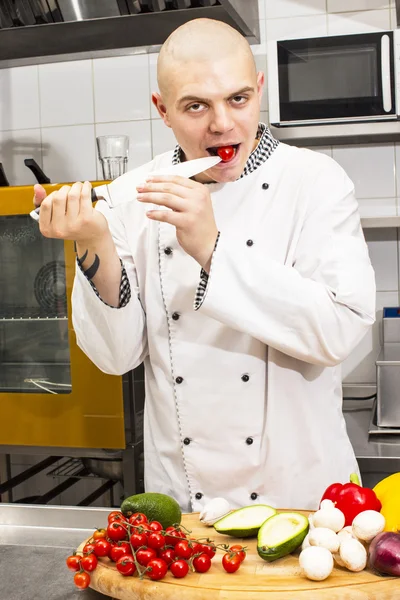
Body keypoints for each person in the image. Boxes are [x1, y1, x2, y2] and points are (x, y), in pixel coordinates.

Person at [33, 18, 376, 512]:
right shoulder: (134, 194)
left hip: (303, 497)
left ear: (259, 90)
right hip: (188, 503)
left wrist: (211, 245)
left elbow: (339, 331)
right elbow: (115, 357)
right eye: (196, 106)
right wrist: (94, 243)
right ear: (163, 110)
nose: (222, 124)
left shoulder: (315, 182)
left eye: (238, 99)